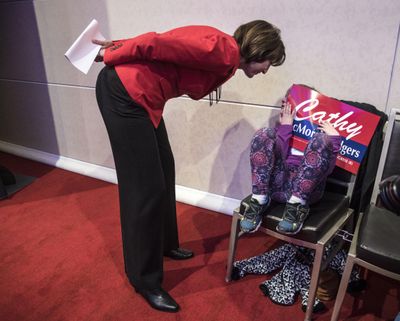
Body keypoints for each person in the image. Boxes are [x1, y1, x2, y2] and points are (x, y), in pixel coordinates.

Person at [93, 20, 285, 313]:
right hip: (125, 95)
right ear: (260, 50)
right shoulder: (222, 50)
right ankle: (145, 280)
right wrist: (111, 53)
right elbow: (155, 43)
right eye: (268, 63)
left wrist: (117, 45)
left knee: (164, 171)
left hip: (145, 101)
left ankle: (166, 244)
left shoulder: (225, 53)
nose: (265, 71)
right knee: (144, 190)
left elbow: (162, 43)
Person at [240, 99, 341, 234]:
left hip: (308, 192)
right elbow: (277, 156)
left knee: (321, 140)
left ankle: (296, 207)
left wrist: (334, 139)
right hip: (277, 187)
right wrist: (286, 126)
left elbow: (327, 170)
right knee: (264, 133)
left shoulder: (321, 138)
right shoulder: (286, 129)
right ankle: (259, 200)